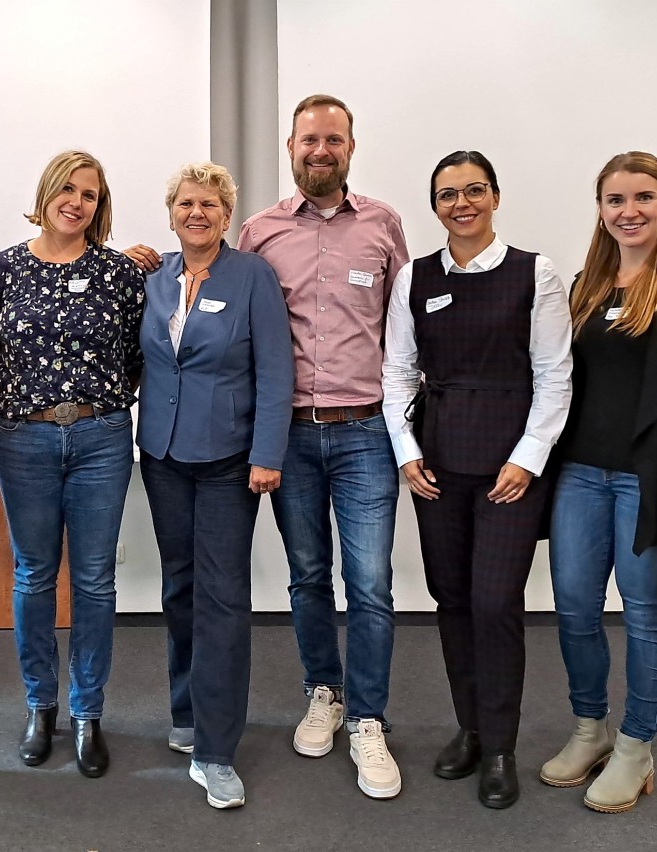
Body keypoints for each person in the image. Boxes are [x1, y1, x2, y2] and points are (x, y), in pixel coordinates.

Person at [541, 151, 657, 813]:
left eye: (643, 198)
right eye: (616, 200)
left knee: (646, 617)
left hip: (653, 479)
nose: (630, 212)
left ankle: (635, 746)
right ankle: (590, 728)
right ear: (600, 209)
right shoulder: (588, 284)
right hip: (580, 476)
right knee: (573, 610)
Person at [382, 151, 573, 809]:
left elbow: (554, 375)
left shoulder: (534, 274)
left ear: (494, 196)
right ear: (434, 206)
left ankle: (500, 748)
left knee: (495, 605)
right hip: (437, 464)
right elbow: (398, 373)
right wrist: (406, 451)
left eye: (473, 191)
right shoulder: (415, 276)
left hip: (509, 470)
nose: (460, 203)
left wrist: (527, 458)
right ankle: (470, 726)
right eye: (446, 195)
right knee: (452, 599)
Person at [240, 94, 410, 799]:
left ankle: (369, 719)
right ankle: (324, 692)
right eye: (309, 139)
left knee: (369, 584)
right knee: (308, 574)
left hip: (366, 431)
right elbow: (217, 296)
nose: (320, 150)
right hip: (292, 436)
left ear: (350, 147)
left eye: (333, 140)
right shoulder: (258, 232)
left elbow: (407, 329)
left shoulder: (383, 225)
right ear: (290, 146)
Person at [0, 150, 144, 778]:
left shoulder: (121, 274)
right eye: (66, 190)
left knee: (94, 579)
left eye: (90, 194)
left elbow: (139, 356)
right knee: (34, 575)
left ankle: (89, 712)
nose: (77, 202)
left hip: (102, 437)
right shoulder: (1, 271)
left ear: (102, 206)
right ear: (44, 194)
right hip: (27, 440)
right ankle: (40, 707)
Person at [137, 162, 294, 809]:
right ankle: (187, 713)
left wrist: (267, 454)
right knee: (179, 587)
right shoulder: (155, 279)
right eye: (185, 203)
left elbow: (277, 370)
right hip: (164, 456)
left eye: (209, 203)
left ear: (226, 215)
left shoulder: (252, 276)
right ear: (171, 212)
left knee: (222, 596)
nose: (196, 213)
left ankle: (216, 749)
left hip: (231, 460)